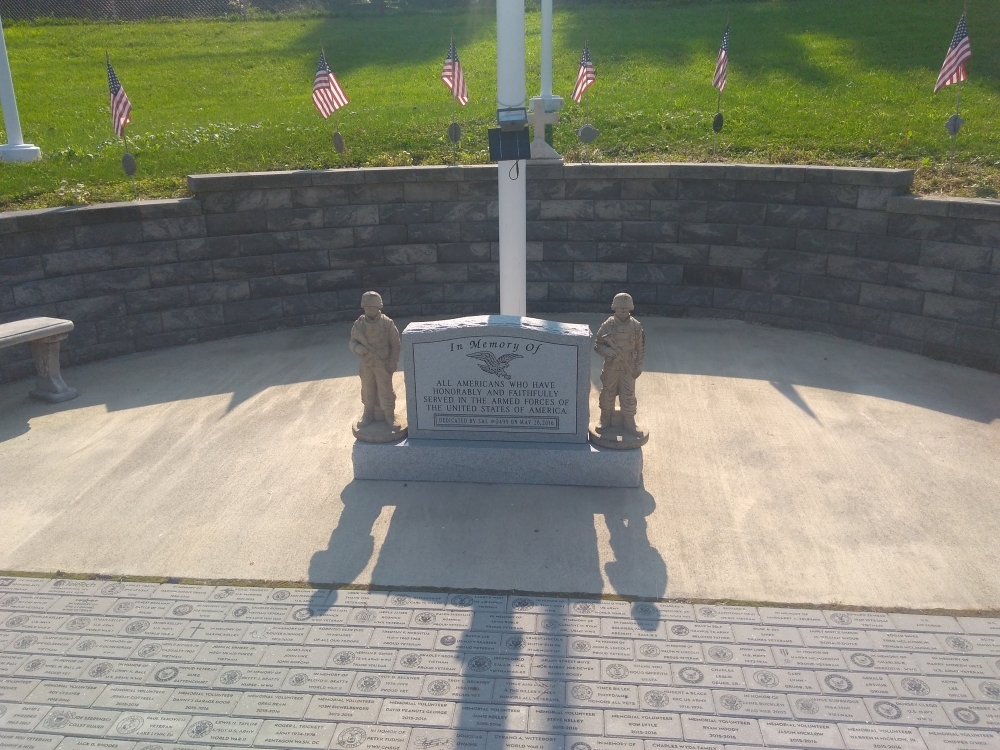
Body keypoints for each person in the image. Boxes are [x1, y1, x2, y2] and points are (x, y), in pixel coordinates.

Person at [594, 292, 645, 436]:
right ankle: (605, 419)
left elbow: (640, 348)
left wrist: (639, 365)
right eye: (620, 308)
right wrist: (608, 351)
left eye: (626, 309)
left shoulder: (636, 326)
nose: (623, 311)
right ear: (614, 308)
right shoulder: (607, 326)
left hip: (628, 368)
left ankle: (629, 422)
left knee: (628, 394)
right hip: (611, 367)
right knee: (607, 392)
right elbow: (597, 345)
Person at [349, 291, 401, 429]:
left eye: (372, 307)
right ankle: (368, 414)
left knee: (385, 389)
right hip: (366, 363)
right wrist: (358, 348)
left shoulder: (387, 323)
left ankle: (389, 415)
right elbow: (352, 342)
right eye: (366, 307)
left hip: (383, 362)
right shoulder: (359, 324)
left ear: (378, 307)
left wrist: (393, 361)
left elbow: (395, 344)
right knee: (367, 388)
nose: (369, 310)